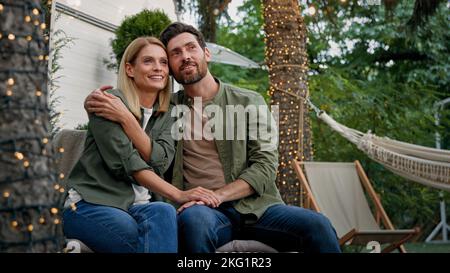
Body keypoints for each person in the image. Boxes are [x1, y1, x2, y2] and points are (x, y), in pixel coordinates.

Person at [86, 23, 341, 253]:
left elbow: (265, 167)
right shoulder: (166, 109)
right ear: (171, 68)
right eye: (175, 53)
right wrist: (95, 103)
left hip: (258, 209)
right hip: (200, 211)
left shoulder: (249, 102)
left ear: (206, 54)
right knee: (195, 223)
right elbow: (134, 116)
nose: (185, 56)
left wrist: (218, 195)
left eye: (191, 48)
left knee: (318, 225)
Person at [63, 36, 220, 253]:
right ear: (129, 69)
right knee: (135, 233)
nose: (158, 68)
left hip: (140, 208)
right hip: (90, 204)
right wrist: (179, 194)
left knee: (164, 211)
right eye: (148, 61)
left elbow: (161, 161)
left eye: (163, 62)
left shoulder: (169, 113)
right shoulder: (108, 101)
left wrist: (127, 120)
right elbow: (128, 163)